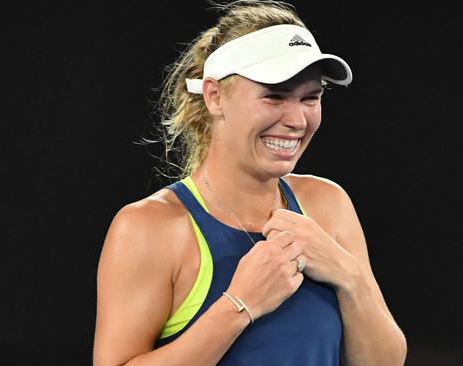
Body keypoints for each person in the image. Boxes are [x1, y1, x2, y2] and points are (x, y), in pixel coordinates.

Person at [93, 1, 406, 365]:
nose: (297, 120)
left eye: (310, 98)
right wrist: (241, 304)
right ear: (214, 96)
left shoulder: (328, 205)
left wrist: (348, 274)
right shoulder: (149, 229)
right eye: (274, 96)